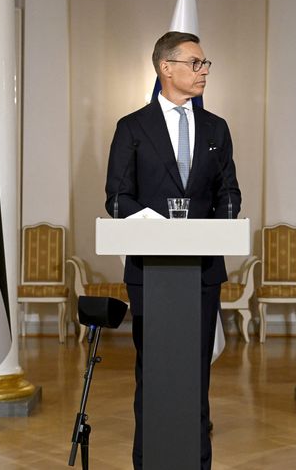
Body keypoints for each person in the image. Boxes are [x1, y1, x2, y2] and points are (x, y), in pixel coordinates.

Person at [104, 31, 241, 470]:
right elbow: (117, 197)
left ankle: (198, 463)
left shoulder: (217, 127)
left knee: (196, 375)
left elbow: (229, 193)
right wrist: (155, 228)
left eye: (205, 65)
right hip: (151, 272)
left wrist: (217, 228)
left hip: (202, 273)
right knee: (155, 373)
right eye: (196, 63)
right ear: (166, 68)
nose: (204, 71)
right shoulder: (132, 127)